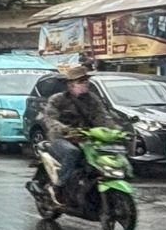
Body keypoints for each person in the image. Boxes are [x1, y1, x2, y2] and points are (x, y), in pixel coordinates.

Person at [42, 62, 115, 200]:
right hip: (61, 139)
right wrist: (64, 129)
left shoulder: (92, 100)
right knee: (72, 152)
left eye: (86, 81)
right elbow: (50, 119)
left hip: (87, 139)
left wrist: (116, 131)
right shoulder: (58, 100)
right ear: (70, 84)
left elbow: (103, 118)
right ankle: (59, 187)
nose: (85, 84)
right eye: (81, 81)